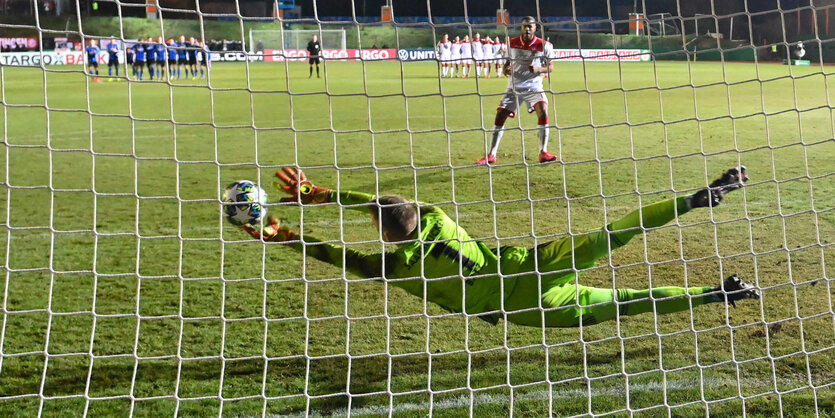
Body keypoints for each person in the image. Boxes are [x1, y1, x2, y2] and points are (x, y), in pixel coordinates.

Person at [240, 166, 759, 328]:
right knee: (612, 234)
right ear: (415, 214)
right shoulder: (437, 216)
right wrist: (323, 194)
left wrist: (287, 236)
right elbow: (379, 202)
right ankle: (696, 200)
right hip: (530, 267)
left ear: (384, 233)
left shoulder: (395, 267)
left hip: (524, 306)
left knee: (622, 305)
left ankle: (720, 294)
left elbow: (341, 255)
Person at [475, 17, 557, 165]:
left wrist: (539, 69)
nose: (527, 29)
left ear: (535, 28)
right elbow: (508, 63)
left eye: (530, 27)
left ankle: (543, 152)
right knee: (500, 115)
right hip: (514, 87)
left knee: (543, 110)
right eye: (525, 26)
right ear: (521, 28)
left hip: (534, 87)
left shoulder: (544, 45)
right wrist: (507, 69)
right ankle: (491, 154)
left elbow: (550, 67)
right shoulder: (512, 44)